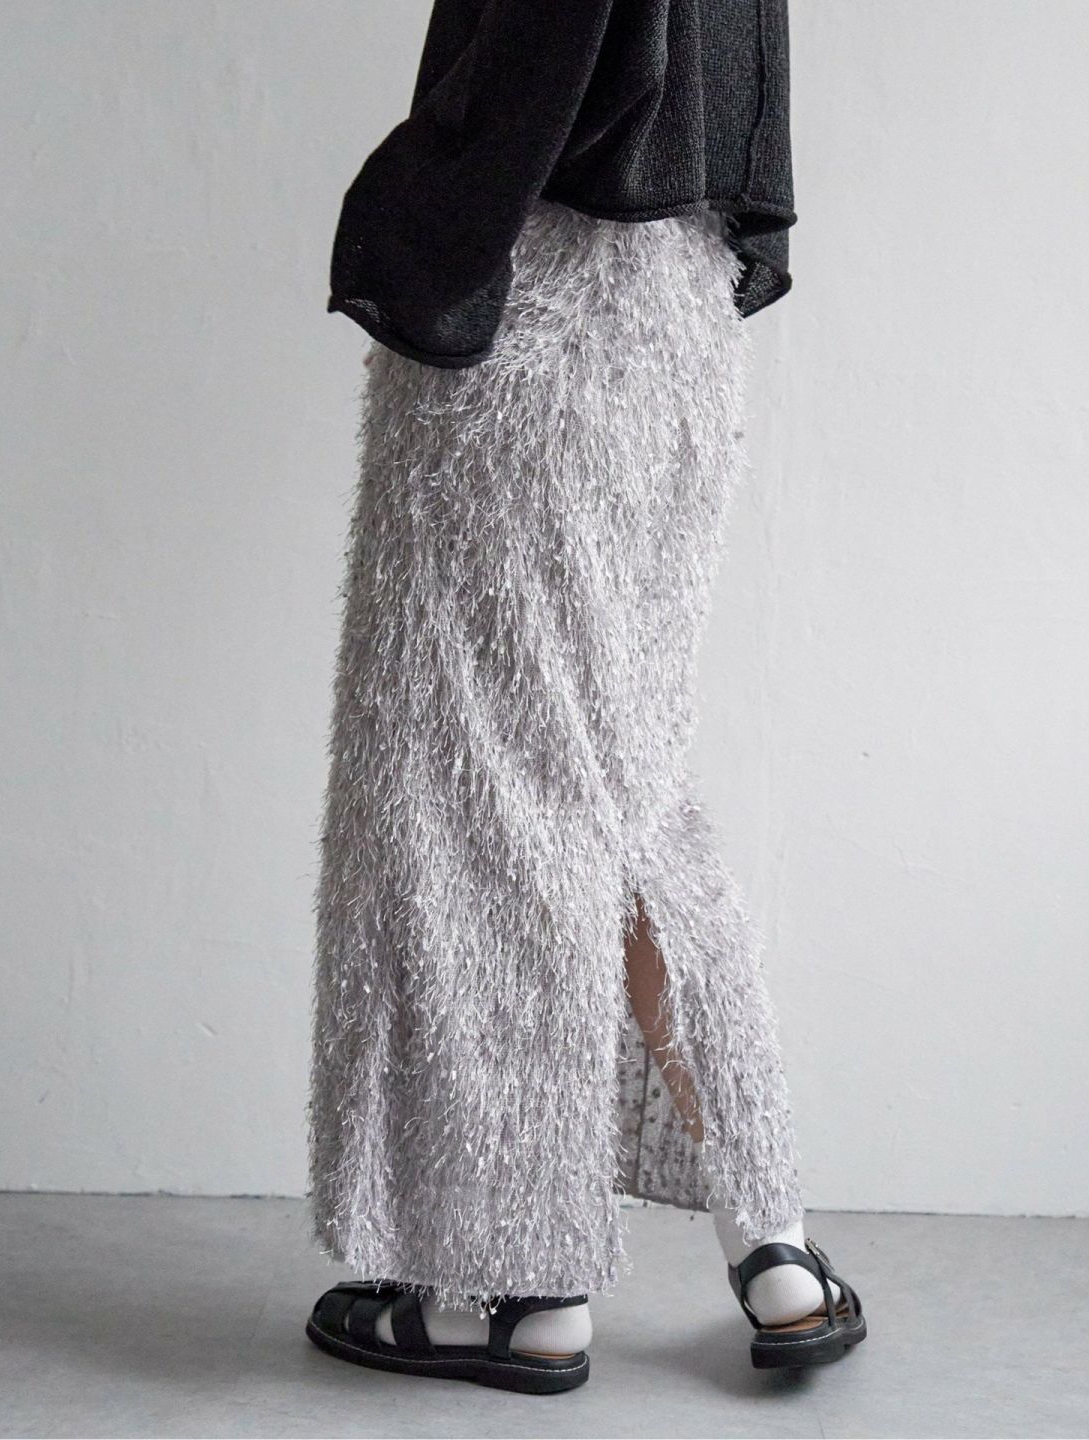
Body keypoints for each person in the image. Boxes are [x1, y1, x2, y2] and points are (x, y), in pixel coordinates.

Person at [304, 0, 866, 1392]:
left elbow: (542, 59)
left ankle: (525, 1286)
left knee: (478, 802)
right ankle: (775, 1245)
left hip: (535, 315)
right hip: (679, 319)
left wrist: (413, 219)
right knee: (625, 792)